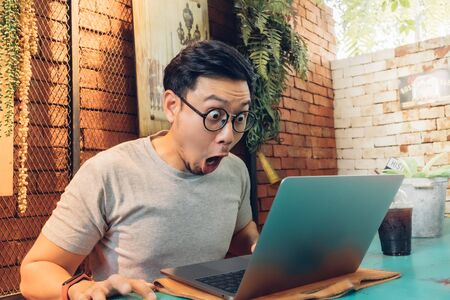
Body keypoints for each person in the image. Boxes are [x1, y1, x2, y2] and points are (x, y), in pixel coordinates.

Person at [20, 40, 260, 300]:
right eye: (214, 116)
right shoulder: (109, 172)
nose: (228, 135)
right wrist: (81, 290)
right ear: (172, 106)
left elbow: (238, 233)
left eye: (239, 117)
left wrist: (257, 246)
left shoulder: (235, 171)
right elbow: (34, 272)